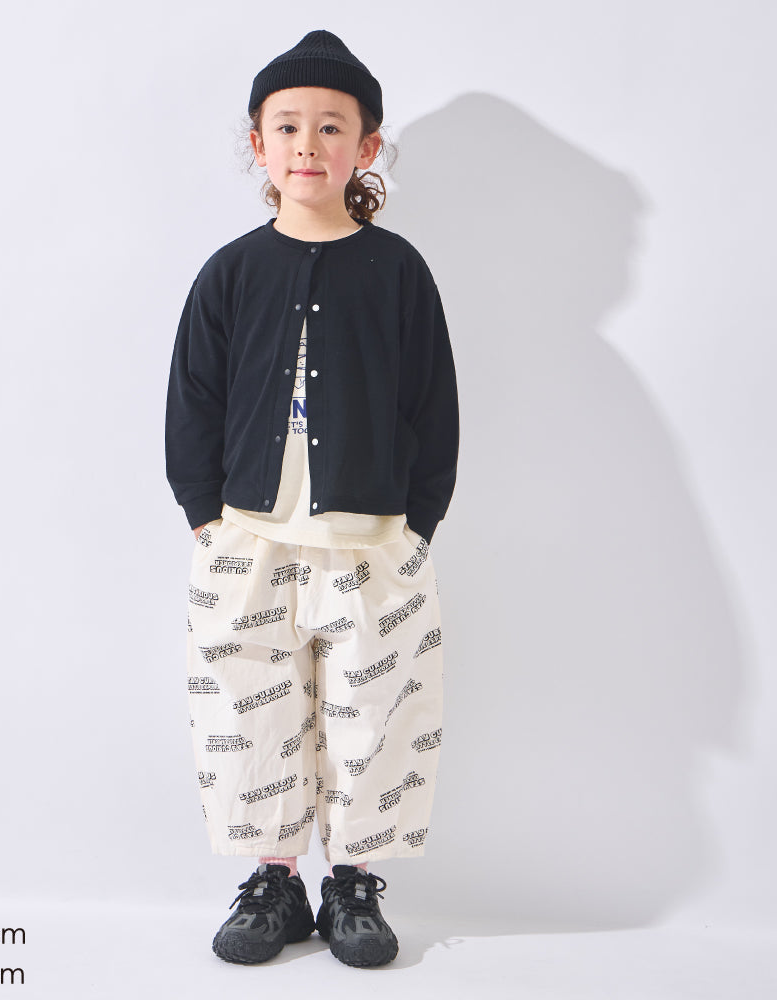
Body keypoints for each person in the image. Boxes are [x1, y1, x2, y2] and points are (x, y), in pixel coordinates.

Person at [165, 28, 458, 968]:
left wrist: (416, 525)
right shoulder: (231, 271)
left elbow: (433, 403)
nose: (308, 144)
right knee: (251, 708)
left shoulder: (397, 270)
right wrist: (204, 512)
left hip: (371, 541)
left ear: (366, 147)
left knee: (374, 715)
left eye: (332, 127)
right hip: (248, 536)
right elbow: (194, 396)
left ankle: (353, 884)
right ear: (258, 144)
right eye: (287, 126)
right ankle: (275, 881)